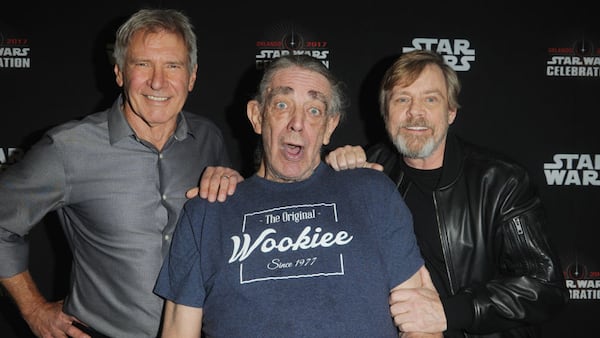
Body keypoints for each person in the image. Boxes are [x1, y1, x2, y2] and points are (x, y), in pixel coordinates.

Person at [153, 54, 440, 338]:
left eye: (314, 110)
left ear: (330, 126)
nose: (297, 123)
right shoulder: (208, 211)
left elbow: (422, 327)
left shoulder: (373, 193)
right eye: (282, 105)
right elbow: (178, 330)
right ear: (257, 116)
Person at [0, 8, 241, 338]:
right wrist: (33, 310)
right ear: (119, 72)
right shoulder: (68, 148)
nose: (158, 81)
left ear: (192, 76)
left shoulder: (208, 139)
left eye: (173, 65)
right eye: (143, 64)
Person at [325, 49, 569, 337]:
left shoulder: (500, 180)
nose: (415, 112)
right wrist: (333, 175)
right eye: (402, 99)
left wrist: (449, 312)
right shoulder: (368, 171)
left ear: (450, 112)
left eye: (430, 99)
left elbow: (545, 286)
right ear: (385, 112)